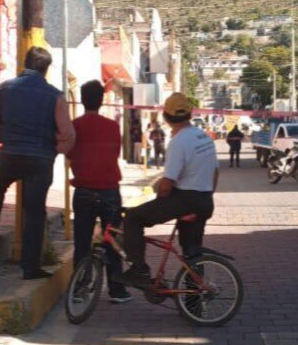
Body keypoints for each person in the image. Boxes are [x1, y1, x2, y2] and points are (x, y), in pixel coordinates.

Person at [0, 47, 75, 279]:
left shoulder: (4, 89)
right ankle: (30, 266)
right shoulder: (55, 95)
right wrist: (54, 152)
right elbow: (67, 133)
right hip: (41, 159)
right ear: (45, 69)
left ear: (24, 63)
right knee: (35, 211)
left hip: (11, 154)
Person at [116, 93, 219, 287]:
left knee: (133, 218)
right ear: (189, 114)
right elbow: (215, 173)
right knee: (192, 252)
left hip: (184, 199)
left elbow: (166, 185)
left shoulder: (179, 142)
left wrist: (157, 200)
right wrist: (204, 196)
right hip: (205, 200)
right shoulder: (204, 137)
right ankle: (194, 304)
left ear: (166, 117)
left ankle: (139, 270)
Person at [68, 80, 132, 303]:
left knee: (82, 243)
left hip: (83, 191)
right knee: (112, 242)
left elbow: (69, 154)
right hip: (109, 191)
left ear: (82, 100)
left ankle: (79, 289)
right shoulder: (112, 126)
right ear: (102, 100)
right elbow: (115, 153)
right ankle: (117, 291)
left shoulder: (73, 125)